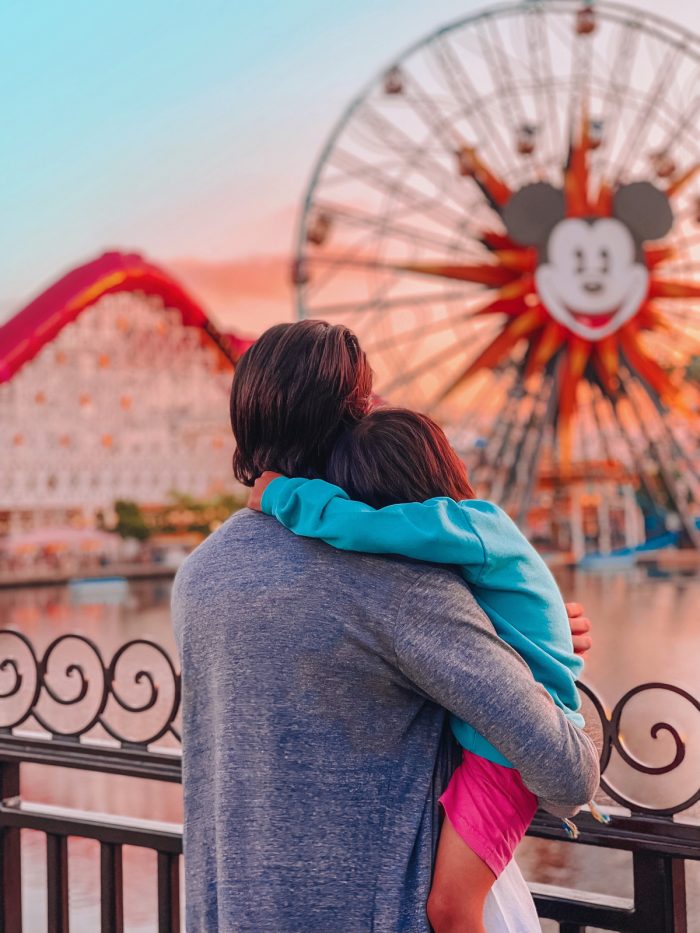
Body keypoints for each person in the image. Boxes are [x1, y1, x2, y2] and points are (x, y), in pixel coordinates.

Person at [172, 320, 599, 933]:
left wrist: (492, 636)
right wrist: (532, 651)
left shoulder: (198, 577)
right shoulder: (391, 584)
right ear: (356, 419)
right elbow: (567, 771)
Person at [250, 406, 593, 932]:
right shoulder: (474, 541)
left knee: (452, 910)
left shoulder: (475, 526)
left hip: (505, 750)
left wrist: (282, 496)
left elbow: (368, 528)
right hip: (490, 742)